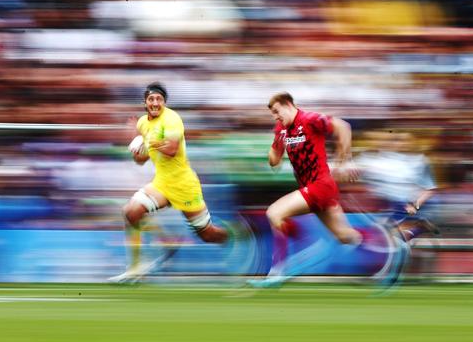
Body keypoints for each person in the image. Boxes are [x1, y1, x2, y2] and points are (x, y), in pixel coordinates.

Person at [109, 82, 229, 283]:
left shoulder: (172, 119)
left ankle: (236, 236)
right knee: (131, 212)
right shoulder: (142, 123)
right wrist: (135, 149)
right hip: (162, 183)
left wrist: (145, 141)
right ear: (145, 102)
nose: (155, 103)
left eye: (159, 99)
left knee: (208, 235)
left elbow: (172, 149)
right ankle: (137, 266)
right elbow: (141, 160)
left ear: (164, 102)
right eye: (151, 99)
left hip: (184, 184)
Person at [246, 92, 366, 288]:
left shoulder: (310, 120)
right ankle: (387, 246)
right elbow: (274, 159)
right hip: (313, 188)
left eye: (277, 111)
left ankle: (277, 272)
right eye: (273, 114)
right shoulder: (282, 129)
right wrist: (272, 151)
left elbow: (343, 127)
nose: (276, 116)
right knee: (346, 237)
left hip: (320, 185)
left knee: (274, 213)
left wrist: (345, 159)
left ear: (287, 105)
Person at [355, 130, 440, 242]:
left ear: (412, 142)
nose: (400, 144)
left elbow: (429, 189)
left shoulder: (420, 161)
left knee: (388, 237)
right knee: (385, 235)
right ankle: (414, 230)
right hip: (385, 202)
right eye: (397, 140)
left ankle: (417, 229)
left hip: (405, 203)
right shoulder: (385, 157)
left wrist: (415, 205)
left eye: (404, 141)